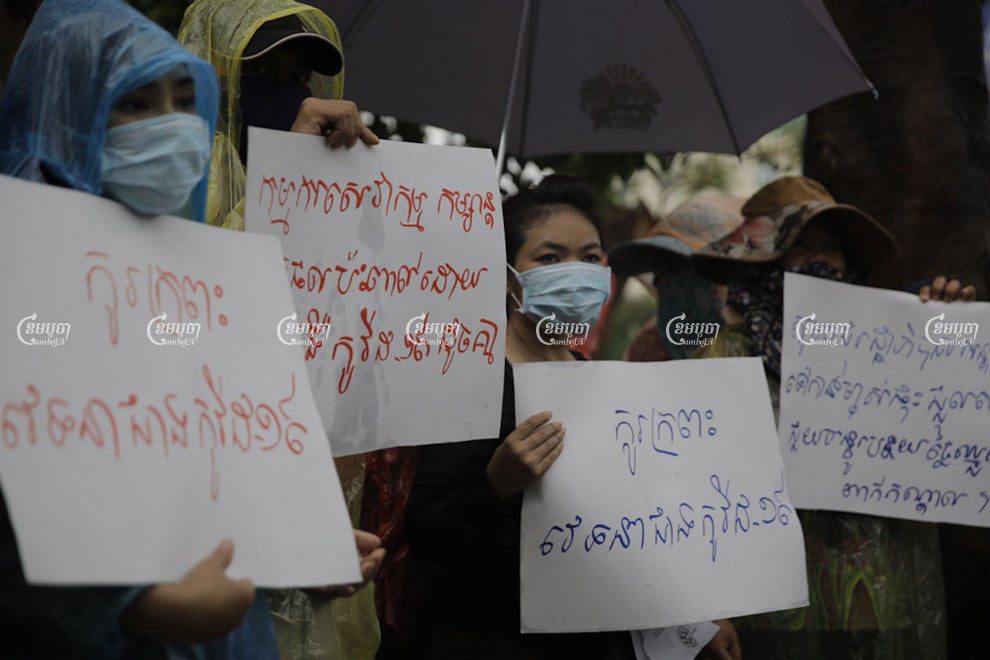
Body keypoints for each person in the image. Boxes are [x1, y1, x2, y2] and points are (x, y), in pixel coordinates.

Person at [0, 1, 383, 656]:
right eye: (136, 104)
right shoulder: (20, 269)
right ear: (65, 110)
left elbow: (201, 446)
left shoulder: (192, 277)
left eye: (185, 101)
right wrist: (130, 603)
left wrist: (289, 535)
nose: (173, 128)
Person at [178, 2, 383, 658]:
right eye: (262, 73)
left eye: (300, 78)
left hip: (327, 559)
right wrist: (282, 184)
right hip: (199, 562)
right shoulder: (164, 197)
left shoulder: (346, 221)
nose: (289, 93)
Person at [690, 175, 959, 660]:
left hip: (885, 603)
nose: (820, 260)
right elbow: (699, 492)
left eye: (832, 246)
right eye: (799, 247)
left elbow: (950, 429)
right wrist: (709, 606)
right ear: (764, 264)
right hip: (774, 612)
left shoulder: (892, 345)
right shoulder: (724, 356)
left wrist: (950, 333)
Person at [608, 196, 744, 362]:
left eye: (689, 268)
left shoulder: (766, 353)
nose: (672, 285)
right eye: (663, 270)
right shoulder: (648, 352)